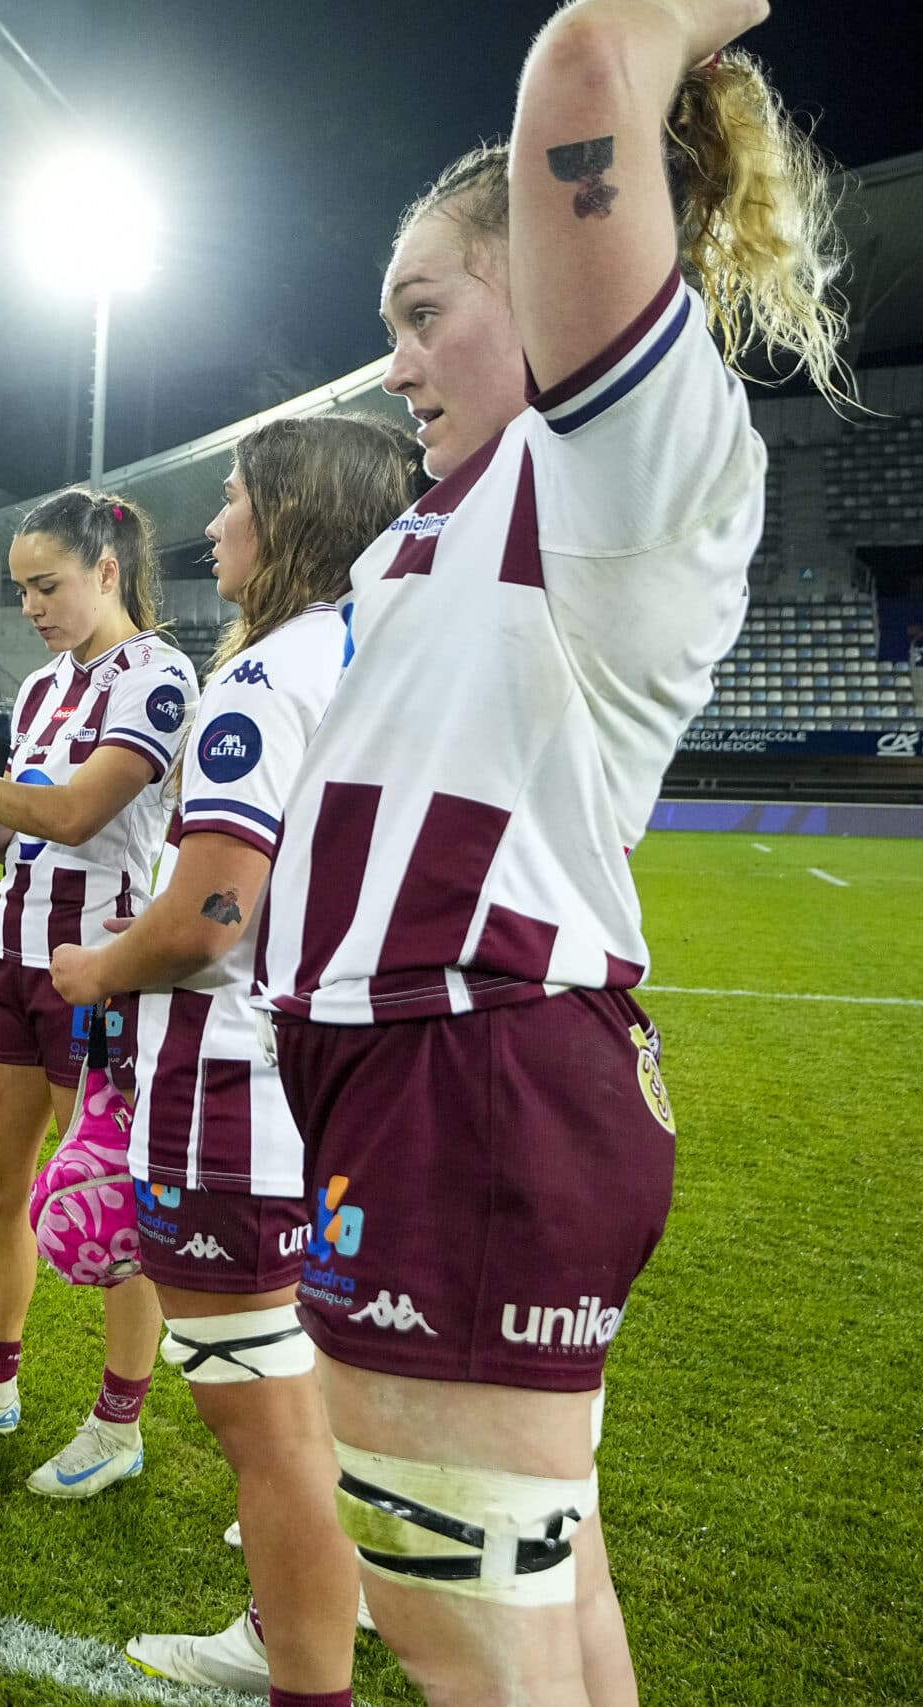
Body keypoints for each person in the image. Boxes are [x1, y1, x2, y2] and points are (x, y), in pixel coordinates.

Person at [247, 13, 847, 1704]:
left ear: (551, 273)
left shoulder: (616, 473)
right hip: (429, 1068)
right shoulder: (452, 519)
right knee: (538, 1578)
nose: (396, 365)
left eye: (425, 313)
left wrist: (661, 37)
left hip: (473, 1063)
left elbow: (589, 57)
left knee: (459, 1621)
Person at [46, 418, 426, 1699]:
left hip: (231, 1087)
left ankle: (295, 1669)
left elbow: (213, 907)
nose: (212, 526)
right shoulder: (382, 656)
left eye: (231, 501)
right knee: (299, 1398)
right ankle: (296, 1629)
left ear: (293, 518)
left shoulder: (265, 681)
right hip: (332, 1083)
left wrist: (96, 969)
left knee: (264, 1437)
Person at [0, 486, 193, 1501]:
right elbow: (17, 838)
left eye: (45, 585)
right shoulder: (42, 687)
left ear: (107, 570)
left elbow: (71, 812)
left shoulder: (160, 677)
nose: (31, 607)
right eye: (19, 590)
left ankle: (118, 1422)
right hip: (8, 958)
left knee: (108, 1205)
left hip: (96, 971)